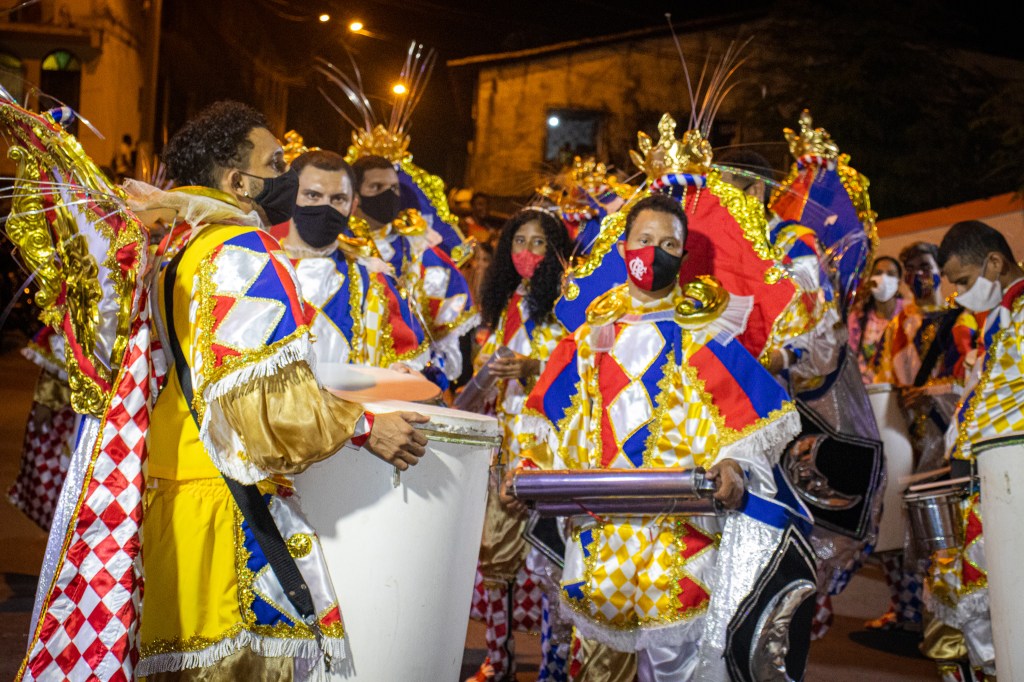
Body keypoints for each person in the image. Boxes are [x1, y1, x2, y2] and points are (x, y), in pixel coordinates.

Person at [137, 100, 430, 678]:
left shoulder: (179, 251)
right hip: (230, 503)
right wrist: (365, 426)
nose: (286, 179)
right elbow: (267, 406)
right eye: (275, 165)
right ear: (238, 181)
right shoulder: (243, 251)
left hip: (175, 491)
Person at [507, 193, 803, 681]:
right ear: (624, 249)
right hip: (601, 531)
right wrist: (529, 473)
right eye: (645, 240)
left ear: (683, 257)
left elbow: (744, 425)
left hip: (681, 535)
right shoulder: (588, 339)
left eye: (669, 244)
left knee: (675, 667)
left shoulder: (703, 336)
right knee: (597, 668)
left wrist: (733, 466)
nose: (654, 252)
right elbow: (549, 423)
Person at [468, 207, 573, 682]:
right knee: (494, 557)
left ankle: (554, 666)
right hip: (502, 446)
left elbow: (579, 375)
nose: (526, 251)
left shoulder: (570, 306)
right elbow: (485, 367)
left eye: (538, 242)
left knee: (552, 561)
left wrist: (533, 369)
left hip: (549, 451)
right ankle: (498, 659)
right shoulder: (507, 302)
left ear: (556, 251)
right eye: (518, 241)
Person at [929, 220, 1024, 681]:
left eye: (964, 281)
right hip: (990, 479)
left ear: (994, 263)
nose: (959, 295)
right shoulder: (1005, 316)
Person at [268, 149, 430, 370]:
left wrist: (399, 370)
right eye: (313, 195)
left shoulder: (372, 279)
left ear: (353, 205)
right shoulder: (262, 268)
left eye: (338, 199)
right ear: (289, 196)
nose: (325, 206)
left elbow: (404, 354)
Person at [351, 154, 479, 388]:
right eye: (376, 187)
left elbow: (450, 333)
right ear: (355, 196)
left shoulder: (422, 253)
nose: (388, 195)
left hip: (408, 379)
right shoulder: (340, 247)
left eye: (393, 188)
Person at [848, 256, 907, 383]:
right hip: (863, 387)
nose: (883, 279)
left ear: (899, 281)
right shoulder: (857, 316)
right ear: (870, 278)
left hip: (899, 385)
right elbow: (850, 357)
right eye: (878, 273)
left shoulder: (907, 313)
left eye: (890, 274)